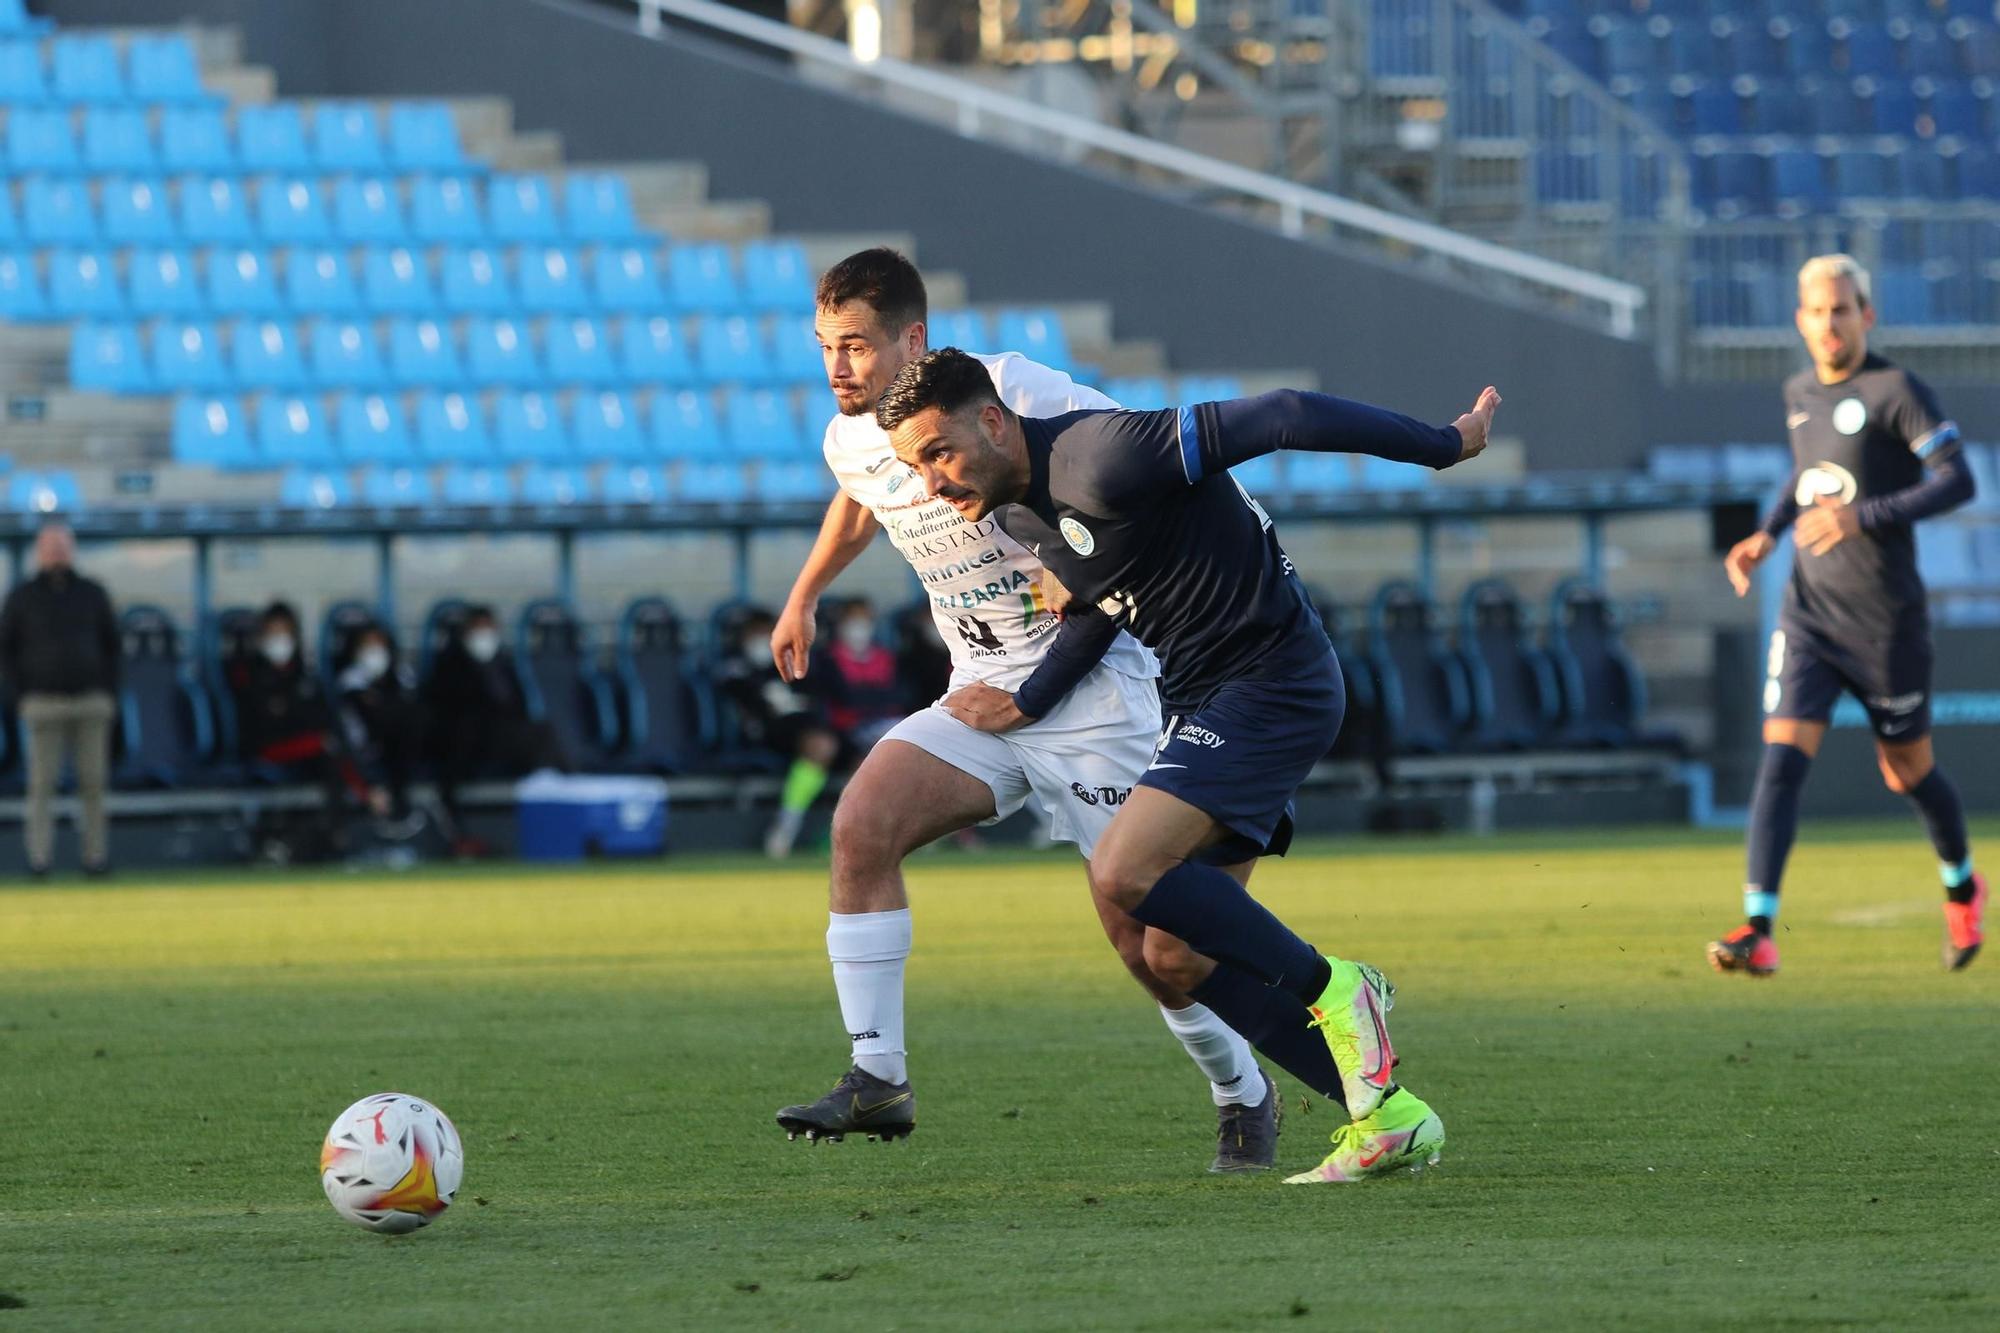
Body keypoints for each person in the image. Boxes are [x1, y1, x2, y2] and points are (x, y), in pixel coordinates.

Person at [876, 346, 1499, 1183]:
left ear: (992, 419)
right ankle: (1386, 1114)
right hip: (1203, 698)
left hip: (1273, 679)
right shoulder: (1017, 512)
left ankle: (1338, 986)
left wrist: (1443, 445)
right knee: (1175, 956)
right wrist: (1031, 697)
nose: (930, 485)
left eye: (937, 453)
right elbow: (1101, 599)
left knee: (1123, 871)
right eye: (915, 468)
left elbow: (1285, 411)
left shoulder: (1102, 453)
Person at [770, 250, 1282, 1174]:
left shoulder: (1011, 388)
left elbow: (1114, 464)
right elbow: (860, 496)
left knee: (1150, 943)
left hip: (1093, 692)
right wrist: (805, 591)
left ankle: (1241, 1088)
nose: (836, 366)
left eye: (854, 345)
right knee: (861, 825)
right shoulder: (852, 438)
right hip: (977, 689)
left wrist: (1079, 555)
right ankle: (876, 1075)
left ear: (912, 339)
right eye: (824, 347)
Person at [1713, 254, 1983, 976]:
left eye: (1842, 310)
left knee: (1907, 773)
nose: (1829, 323)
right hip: (1810, 615)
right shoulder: (1798, 389)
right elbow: (1806, 474)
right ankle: (1758, 927)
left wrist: (1864, 517)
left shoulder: (1897, 390)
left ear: (1866, 314)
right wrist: (1767, 534)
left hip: (1885, 621)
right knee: (1781, 760)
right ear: (1800, 319)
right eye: (1816, 311)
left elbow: (1959, 479)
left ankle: (1961, 886)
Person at [0, 521, 119, 878]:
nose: (56, 552)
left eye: (62, 545)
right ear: (39, 551)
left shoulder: (92, 593)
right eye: (50, 546)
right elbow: (5, 652)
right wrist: (19, 696)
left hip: (90, 701)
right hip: (42, 703)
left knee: (94, 784)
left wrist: (108, 692)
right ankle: (39, 861)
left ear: (72, 549)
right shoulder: (22, 597)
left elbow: (113, 647)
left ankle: (95, 859)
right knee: (41, 785)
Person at [231, 601, 386, 849]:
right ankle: (364, 800)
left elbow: (318, 714)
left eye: (285, 633)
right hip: (267, 747)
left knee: (332, 750)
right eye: (273, 633)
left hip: (305, 747)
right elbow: (263, 721)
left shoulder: (303, 673)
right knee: (328, 746)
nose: (280, 640)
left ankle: (337, 827)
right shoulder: (248, 673)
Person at [423, 605, 568, 849]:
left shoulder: (503, 663)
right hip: (468, 745)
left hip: (504, 740)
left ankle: (561, 794)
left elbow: (518, 705)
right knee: (534, 735)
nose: (485, 635)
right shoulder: (449, 666)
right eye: (478, 629)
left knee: (542, 732)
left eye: (489, 628)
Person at [711, 605, 845, 858]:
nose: (763, 639)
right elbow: (739, 695)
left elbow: (822, 694)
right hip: (768, 733)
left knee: (869, 753)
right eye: (757, 633)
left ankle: (853, 832)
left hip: (812, 726)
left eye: (768, 632)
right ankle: (787, 824)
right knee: (821, 745)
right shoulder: (734, 667)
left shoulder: (793, 662)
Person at [335, 622, 427, 825]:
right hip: (364, 752)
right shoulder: (350, 680)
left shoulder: (403, 675)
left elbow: (412, 712)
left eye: (379, 643)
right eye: (368, 645)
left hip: (399, 753)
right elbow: (363, 721)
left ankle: (400, 809)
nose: (374, 651)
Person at [811, 597, 908, 753]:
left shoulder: (886, 657)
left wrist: (865, 695)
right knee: (821, 746)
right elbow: (845, 698)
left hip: (886, 723)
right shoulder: (826, 658)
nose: (859, 625)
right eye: (852, 619)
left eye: (865, 619)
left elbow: (900, 696)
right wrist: (875, 694)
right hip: (844, 728)